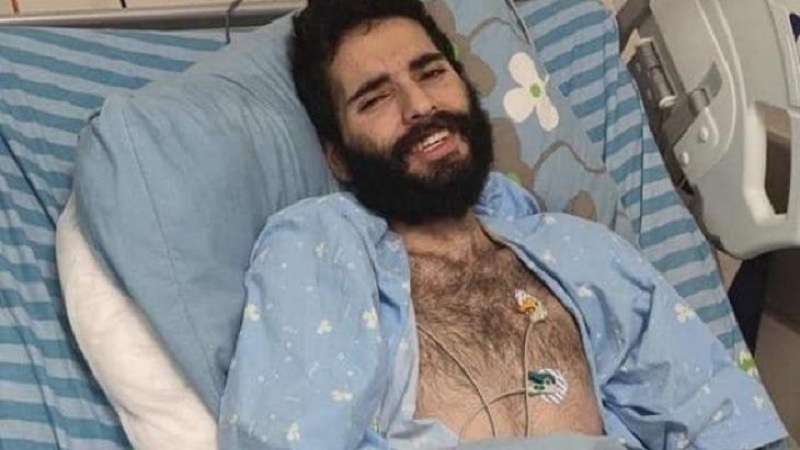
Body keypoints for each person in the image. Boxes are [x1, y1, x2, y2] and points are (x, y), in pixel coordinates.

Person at [218, 0, 788, 448]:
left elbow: (720, 417)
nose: (420, 106)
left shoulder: (582, 251)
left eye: (431, 72)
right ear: (338, 157)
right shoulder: (320, 248)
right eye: (375, 99)